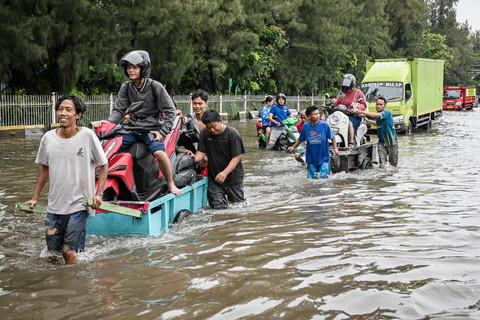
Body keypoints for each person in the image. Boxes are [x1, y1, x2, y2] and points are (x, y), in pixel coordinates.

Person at [25, 94, 108, 264]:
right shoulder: (48, 138)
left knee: (67, 251)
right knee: (52, 255)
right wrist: (34, 198)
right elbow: (44, 167)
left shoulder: (87, 136)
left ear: (78, 115)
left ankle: (75, 287)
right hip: (54, 205)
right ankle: (57, 285)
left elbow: (103, 164)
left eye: (68, 109)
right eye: (60, 109)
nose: (63, 113)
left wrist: (98, 194)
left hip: (79, 203)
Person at [106, 50, 181, 195]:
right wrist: (108, 125)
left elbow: (170, 111)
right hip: (132, 130)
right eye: (128, 67)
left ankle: (171, 184)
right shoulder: (126, 87)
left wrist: (162, 132)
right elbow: (119, 110)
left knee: (160, 153)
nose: (131, 70)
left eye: (134, 67)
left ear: (143, 68)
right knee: (109, 149)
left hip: (151, 130)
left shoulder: (155, 86)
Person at [186, 110, 245, 209]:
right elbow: (201, 152)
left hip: (233, 177)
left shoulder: (232, 134)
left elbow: (237, 157)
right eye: (208, 128)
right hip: (214, 177)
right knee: (217, 207)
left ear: (220, 121)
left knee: (237, 206)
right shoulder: (205, 133)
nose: (211, 130)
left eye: (213, 126)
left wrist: (225, 173)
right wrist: (194, 157)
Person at [288, 105, 339, 179]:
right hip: (311, 158)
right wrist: (293, 147)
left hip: (324, 157)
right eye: (315, 114)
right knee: (312, 180)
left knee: (323, 179)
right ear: (309, 116)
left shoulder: (324, 125)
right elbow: (300, 139)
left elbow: (333, 137)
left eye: (318, 113)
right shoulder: (305, 126)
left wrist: (335, 148)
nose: (318, 116)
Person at [357, 97, 398, 168]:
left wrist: (362, 111)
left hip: (392, 142)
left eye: (381, 104)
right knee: (382, 165)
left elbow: (376, 115)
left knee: (394, 165)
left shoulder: (387, 113)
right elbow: (378, 123)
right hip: (381, 143)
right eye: (377, 104)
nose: (378, 106)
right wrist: (369, 121)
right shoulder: (379, 117)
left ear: (385, 106)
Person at [335, 74, 367, 148]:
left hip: (353, 116)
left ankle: (351, 143)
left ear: (352, 83)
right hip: (342, 115)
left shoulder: (358, 92)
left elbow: (363, 104)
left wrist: (357, 108)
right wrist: (339, 100)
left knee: (349, 123)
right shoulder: (341, 93)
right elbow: (336, 105)